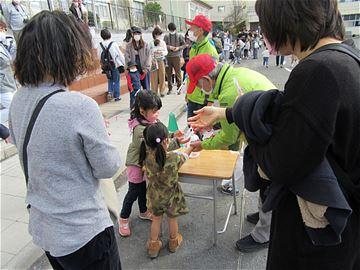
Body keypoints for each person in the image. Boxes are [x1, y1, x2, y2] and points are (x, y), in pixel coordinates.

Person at [188, 0, 360, 268]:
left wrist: (249, 122)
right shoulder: (347, 58)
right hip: (344, 231)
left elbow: (280, 164)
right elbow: (303, 124)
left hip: (312, 240)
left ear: (284, 19)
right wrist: (227, 113)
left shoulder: (317, 71)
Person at [9, 11, 122, 269]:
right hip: (84, 233)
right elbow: (108, 166)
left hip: (46, 229)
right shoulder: (79, 106)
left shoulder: (19, 99)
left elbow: (23, 141)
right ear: (68, 52)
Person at [187, 53, 275, 251]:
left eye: (199, 86)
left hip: (271, 140)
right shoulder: (235, 75)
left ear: (206, 80)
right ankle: (265, 216)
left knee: (270, 184)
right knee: (265, 183)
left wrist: (203, 145)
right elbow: (230, 118)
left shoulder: (227, 94)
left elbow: (229, 137)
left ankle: (264, 234)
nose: (201, 92)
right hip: (268, 133)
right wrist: (215, 120)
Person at [139, 122, 193, 258]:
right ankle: (173, 243)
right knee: (172, 219)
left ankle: (153, 246)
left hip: (154, 196)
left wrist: (175, 141)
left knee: (156, 220)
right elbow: (184, 156)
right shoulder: (173, 158)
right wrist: (191, 147)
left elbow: (160, 151)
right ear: (166, 141)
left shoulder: (146, 156)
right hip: (171, 198)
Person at [185, 14, 219, 119]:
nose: (189, 30)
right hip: (192, 97)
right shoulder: (194, 48)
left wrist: (210, 101)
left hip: (203, 99)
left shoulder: (210, 51)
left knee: (201, 130)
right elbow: (191, 74)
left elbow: (214, 79)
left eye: (192, 28)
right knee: (191, 128)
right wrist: (187, 93)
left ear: (200, 31)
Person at [99, 28, 125, 102]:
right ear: (110, 35)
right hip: (114, 64)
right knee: (116, 80)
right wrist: (124, 63)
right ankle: (117, 96)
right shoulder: (113, 44)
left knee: (110, 79)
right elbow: (119, 54)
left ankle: (110, 92)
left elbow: (99, 56)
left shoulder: (100, 45)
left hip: (106, 66)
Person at [0, 14, 17, 133]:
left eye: (3, 29)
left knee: (16, 105)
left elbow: (12, 58)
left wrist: (10, 44)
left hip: (10, 81)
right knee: (13, 107)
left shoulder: (3, 44)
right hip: (2, 84)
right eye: (1, 29)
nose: (3, 31)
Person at [125, 26, 151, 90]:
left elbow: (149, 56)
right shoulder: (129, 45)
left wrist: (146, 68)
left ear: (141, 35)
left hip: (144, 66)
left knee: (146, 86)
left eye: (138, 34)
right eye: (135, 34)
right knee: (135, 87)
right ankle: (137, 99)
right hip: (133, 67)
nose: (137, 35)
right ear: (132, 35)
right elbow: (126, 56)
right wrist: (131, 67)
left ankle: (147, 99)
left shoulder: (145, 45)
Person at [163, 23, 186, 95]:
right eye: (170, 30)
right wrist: (170, 47)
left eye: (172, 30)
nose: (171, 31)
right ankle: (170, 89)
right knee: (168, 73)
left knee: (178, 73)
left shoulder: (179, 36)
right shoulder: (166, 36)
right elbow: (163, 45)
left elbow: (184, 44)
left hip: (176, 56)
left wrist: (178, 48)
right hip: (168, 56)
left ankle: (179, 88)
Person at [149, 27, 168, 97]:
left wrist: (161, 52)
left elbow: (166, 51)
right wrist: (152, 57)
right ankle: (154, 92)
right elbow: (149, 52)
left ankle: (162, 91)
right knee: (154, 77)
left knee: (162, 75)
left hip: (161, 61)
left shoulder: (163, 42)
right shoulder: (151, 43)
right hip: (153, 61)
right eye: (157, 34)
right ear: (154, 35)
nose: (159, 36)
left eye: (160, 34)